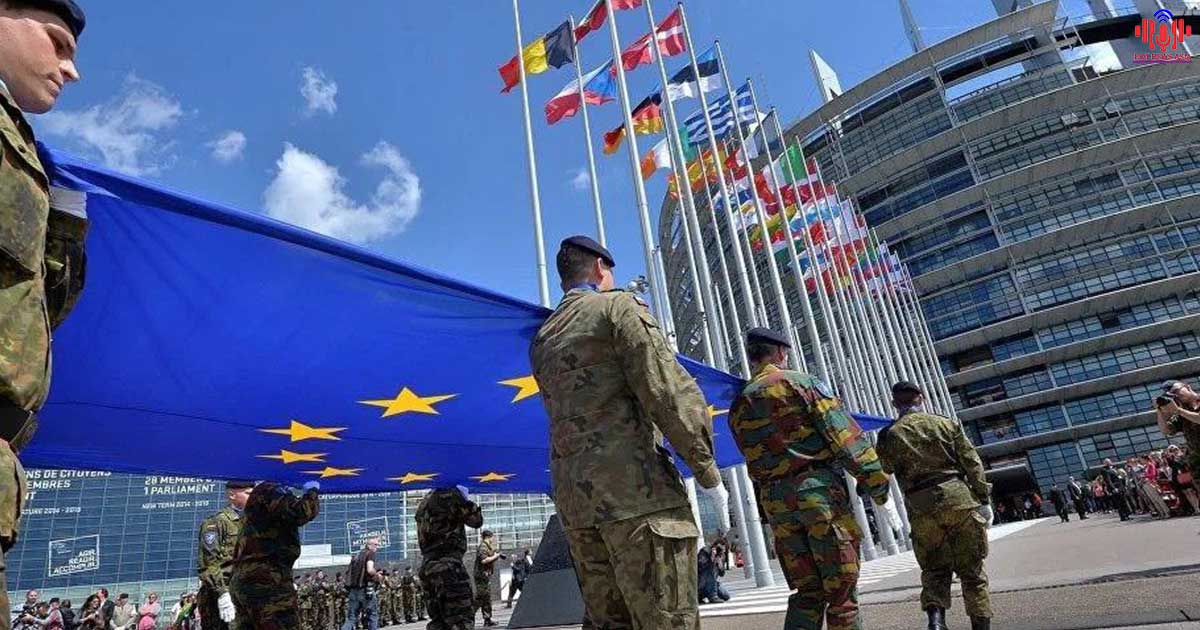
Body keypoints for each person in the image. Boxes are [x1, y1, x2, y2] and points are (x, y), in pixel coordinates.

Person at [529, 236, 728, 630]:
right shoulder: (618, 308)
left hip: (579, 510)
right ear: (600, 267)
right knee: (666, 621)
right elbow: (667, 391)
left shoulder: (543, 338)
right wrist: (706, 469)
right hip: (639, 499)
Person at [0, 1, 87, 624]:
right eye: (56, 41)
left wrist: (64, 232)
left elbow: (37, 311)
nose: (70, 70)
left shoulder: (21, 145)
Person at [728, 328, 892, 630]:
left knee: (807, 594)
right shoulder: (800, 383)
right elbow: (844, 437)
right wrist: (876, 482)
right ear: (781, 352)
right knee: (841, 593)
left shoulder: (739, 403)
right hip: (818, 495)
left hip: (776, 504)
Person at [876, 380, 993, 630]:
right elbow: (972, 463)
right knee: (972, 572)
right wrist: (983, 497)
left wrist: (878, 497)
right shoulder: (946, 423)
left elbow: (881, 473)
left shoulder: (888, 435)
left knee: (934, 570)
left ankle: (936, 623)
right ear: (921, 398)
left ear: (894, 403)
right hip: (958, 500)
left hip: (921, 507)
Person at [227, 480, 320, 630]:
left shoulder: (259, 499)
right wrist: (312, 491)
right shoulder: (270, 490)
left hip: (248, 578)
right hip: (267, 579)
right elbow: (300, 512)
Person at [415, 486, 483, 630]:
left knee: (439, 623)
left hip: (428, 566)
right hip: (448, 566)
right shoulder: (450, 494)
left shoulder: (425, 501)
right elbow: (476, 521)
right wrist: (466, 500)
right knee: (461, 619)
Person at [198, 480, 252, 630]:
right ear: (232, 495)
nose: (252, 497)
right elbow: (208, 563)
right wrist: (222, 594)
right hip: (220, 595)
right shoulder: (216, 523)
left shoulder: (253, 522)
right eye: (248, 493)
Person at [1157, 380, 1200, 494]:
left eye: (1176, 391)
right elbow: (1166, 431)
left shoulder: (1182, 411)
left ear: (1187, 387)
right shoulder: (1182, 412)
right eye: (1172, 395)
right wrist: (1159, 411)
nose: (1176, 395)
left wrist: (1179, 411)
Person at [341, 538, 381, 630]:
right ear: (369, 545)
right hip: (365, 590)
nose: (377, 547)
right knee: (372, 614)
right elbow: (370, 570)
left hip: (353, 591)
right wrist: (377, 574)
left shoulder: (357, 555)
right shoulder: (370, 554)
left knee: (351, 617)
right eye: (375, 545)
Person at [473, 530, 503, 627]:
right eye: (492, 537)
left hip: (485, 575)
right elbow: (484, 560)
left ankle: (487, 619)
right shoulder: (483, 546)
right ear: (488, 537)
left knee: (486, 598)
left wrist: (496, 555)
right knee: (480, 597)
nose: (493, 539)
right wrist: (496, 556)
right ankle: (468, 616)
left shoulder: (488, 546)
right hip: (481, 576)